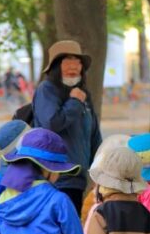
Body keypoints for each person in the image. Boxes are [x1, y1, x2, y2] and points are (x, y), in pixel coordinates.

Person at [33, 40, 103, 214]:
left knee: (72, 229)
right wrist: (73, 102)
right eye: (67, 61)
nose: (74, 66)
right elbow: (52, 123)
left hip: (77, 179)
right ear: (56, 66)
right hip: (54, 177)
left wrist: (100, 169)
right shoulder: (47, 89)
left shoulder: (83, 94)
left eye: (77, 61)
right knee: (58, 231)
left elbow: (93, 135)